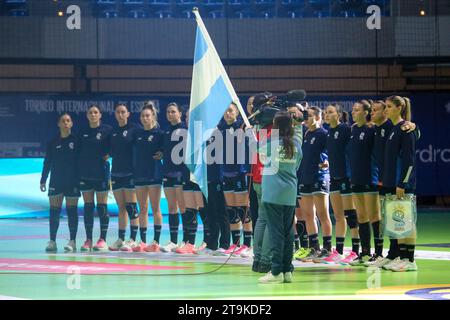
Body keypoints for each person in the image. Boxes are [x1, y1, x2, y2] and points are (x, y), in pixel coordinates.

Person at [258, 111, 303, 284]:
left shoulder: (270, 143)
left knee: (276, 232)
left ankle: (276, 271)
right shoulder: (297, 145)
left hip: (272, 194)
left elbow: (259, 156)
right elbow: (297, 166)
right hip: (289, 194)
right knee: (288, 232)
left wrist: (252, 131)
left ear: (276, 126)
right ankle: (287, 270)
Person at [322, 103, 360, 264]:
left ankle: (356, 251)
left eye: (330, 112)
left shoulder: (346, 129)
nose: (326, 114)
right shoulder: (329, 132)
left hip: (346, 178)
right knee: (338, 216)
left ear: (338, 115)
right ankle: (338, 251)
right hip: (334, 177)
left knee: (351, 215)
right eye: (325, 112)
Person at [40, 113, 80, 253]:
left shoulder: (77, 140)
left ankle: (72, 241)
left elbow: (83, 160)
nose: (65, 123)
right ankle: (52, 241)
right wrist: (43, 179)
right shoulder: (52, 142)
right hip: (56, 180)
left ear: (71, 123)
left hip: (73, 181)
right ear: (58, 124)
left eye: (68, 120)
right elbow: (47, 162)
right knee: (54, 212)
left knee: (72, 212)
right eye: (63, 121)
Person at [298, 106, 333, 263]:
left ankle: (327, 248)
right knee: (308, 215)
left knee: (323, 214)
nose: (305, 118)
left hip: (319, 178)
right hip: (305, 178)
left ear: (318, 118)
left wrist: (327, 162)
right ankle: (314, 247)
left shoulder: (324, 134)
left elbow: (334, 153)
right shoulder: (305, 134)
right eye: (305, 115)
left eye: (309, 115)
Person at [218, 103, 252, 258]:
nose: (227, 113)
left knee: (243, 209)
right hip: (226, 173)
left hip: (240, 173)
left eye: (230, 110)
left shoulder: (243, 126)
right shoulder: (221, 129)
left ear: (237, 112)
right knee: (231, 211)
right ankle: (236, 243)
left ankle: (247, 245)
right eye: (225, 111)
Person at [348, 100, 379, 266]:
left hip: (370, 177)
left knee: (374, 216)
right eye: (353, 110)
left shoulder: (372, 129)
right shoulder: (353, 130)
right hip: (356, 178)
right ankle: (365, 253)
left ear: (366, 112)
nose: (353, 112)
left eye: (357, 110)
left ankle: (379, 254)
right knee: (361, 216)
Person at [77, 105, 112, 252]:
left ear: (100, 115)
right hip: (85, 174)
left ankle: (102, 239)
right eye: (90, 112)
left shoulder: (108, 131)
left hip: (101, 174)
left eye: (95, 112)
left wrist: (110, 153)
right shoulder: (82, 132)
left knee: (102, 207)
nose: (93, 114)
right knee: (88, 207)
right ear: (87, 115)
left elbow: (115, 146)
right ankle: (88, 239)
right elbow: (77, 152)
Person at [108, 104, 140, 252]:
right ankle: (121, 238)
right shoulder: (112, 133)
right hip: (115, 173)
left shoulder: (134, 129)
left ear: (128, 114)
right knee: (121, 208)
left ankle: (133, 239)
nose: (120, 114)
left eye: (123, 112)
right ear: (115, 114)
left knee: (131, 207)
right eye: (118, 112)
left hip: (130, 174)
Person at [133, 101, 164, 253]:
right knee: (142, 208)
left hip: (155, 176)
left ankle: (156, 241)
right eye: (143, 116)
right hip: (139, 176)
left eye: (148, 116)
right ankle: (143, 242)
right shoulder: (137, 134)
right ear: (140, 118)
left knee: (155, 208)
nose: (145, 118)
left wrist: (163, 153)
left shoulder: (160, 134)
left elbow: (167, 150)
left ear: (153, 117)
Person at [160, 102, 188, 253]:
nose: (170, 114)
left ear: (179, 114)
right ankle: (173, 241)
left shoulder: (185, 130)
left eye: (173, 112)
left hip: (181, 174)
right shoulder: (165, 132)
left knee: (183, 208)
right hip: (167, 173)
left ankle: (185, 240)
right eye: (168, 112)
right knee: (172, 208)